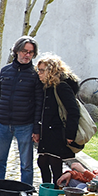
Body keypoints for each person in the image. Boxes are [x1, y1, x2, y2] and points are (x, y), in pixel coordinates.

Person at [0, 36, 43, 185]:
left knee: (26, 165)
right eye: (24, 51)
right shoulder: (5, 71)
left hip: (25, 125)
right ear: (17, 51)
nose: (27, 55)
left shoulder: (35, 75)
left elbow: (39, 103)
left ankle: (26, 193)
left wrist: (36, 129)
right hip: (2, 124)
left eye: (31, 52)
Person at [35, 53, 81, 185]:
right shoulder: (47, 87)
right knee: (42, 162)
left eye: (42, 70)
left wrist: (70, 134)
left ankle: (55, 193)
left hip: (57, 133)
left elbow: (73, 111)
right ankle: (46, 191)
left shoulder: (61, 87)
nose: (39, 73)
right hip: (47, 133)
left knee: (55, 164)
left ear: (51, 71)